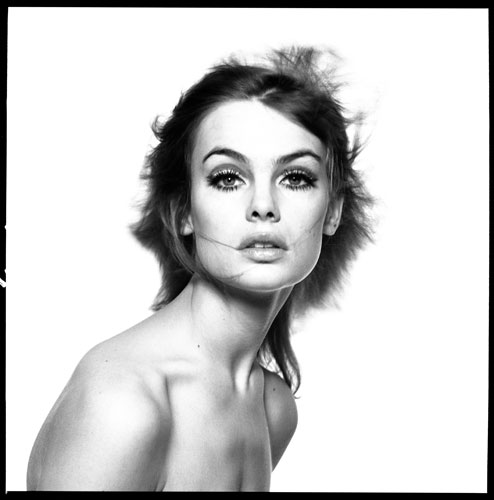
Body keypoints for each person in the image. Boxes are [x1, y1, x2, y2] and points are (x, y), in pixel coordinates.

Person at [26, 46, 373, 491]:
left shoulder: (272, 408)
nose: (263, 206)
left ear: (333, 211)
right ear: (183, 211)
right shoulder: (124, 405)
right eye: (227, 178)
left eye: (295, 178)